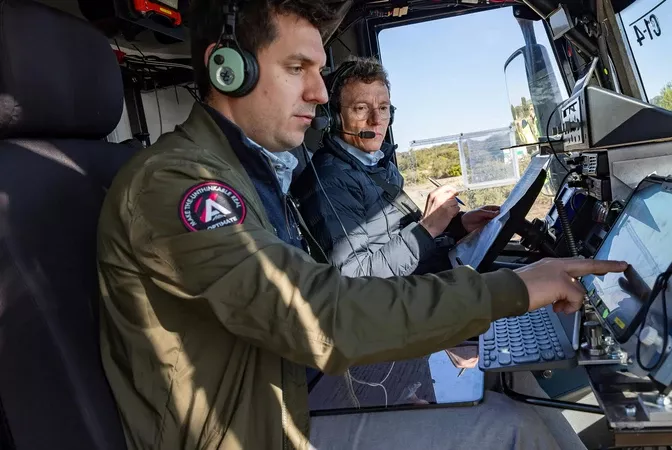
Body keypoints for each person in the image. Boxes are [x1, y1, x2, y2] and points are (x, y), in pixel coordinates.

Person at [95, 0, 627, 449]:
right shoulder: (178, 184)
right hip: (256, 426)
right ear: (227, 69)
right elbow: (325, 311)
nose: (320, 93)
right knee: (517, 428)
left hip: (292, 378)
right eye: (296, 68)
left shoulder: (249, 171)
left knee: (509, 377)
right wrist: (514, 288)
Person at [293, 57, 500, 277]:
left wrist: (459, 224)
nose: (376, 120)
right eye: (361, 108)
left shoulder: (381, 165)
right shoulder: (330, 180)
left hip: (419, 280)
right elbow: (353, 278)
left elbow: (404, 234)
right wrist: (428, 228)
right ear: (333, 118)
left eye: (383, 108)